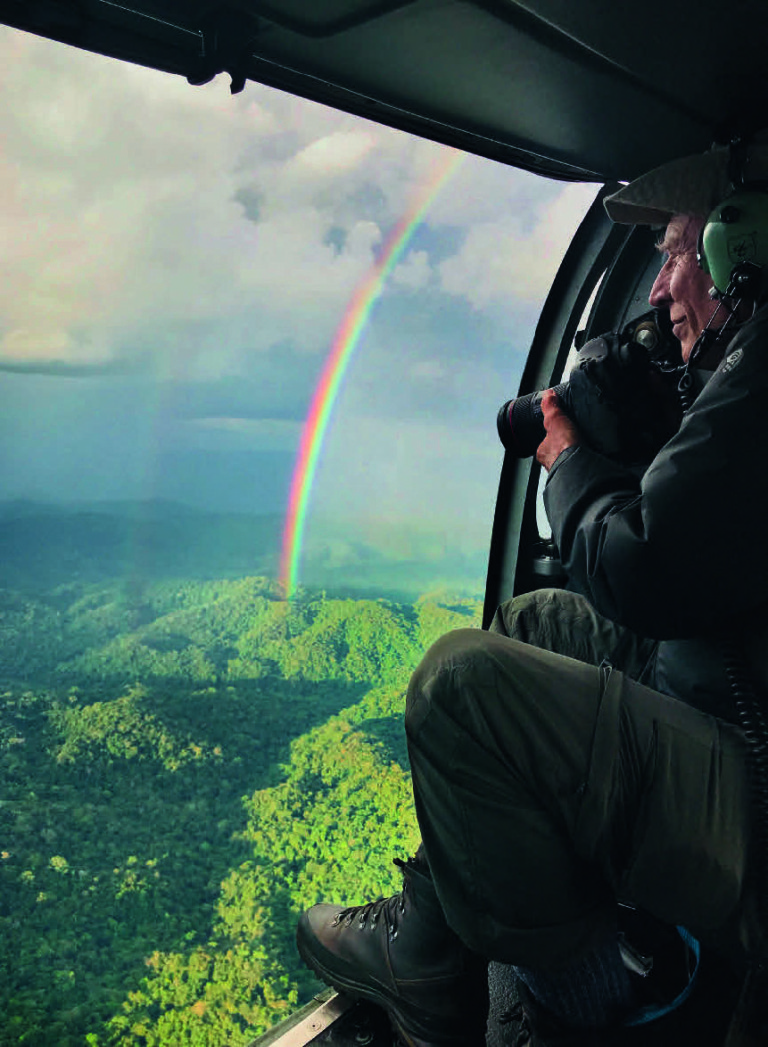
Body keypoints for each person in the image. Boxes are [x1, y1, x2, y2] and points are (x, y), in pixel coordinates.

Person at [295, 141, 768, 1046]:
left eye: (674, 250)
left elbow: (646, 565)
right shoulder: (736, 370)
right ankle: (432, 935)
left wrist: (563, 453)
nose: (662, 288)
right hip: (731, 695)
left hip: (757, 790)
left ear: (737, 246)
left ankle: (575, 1005)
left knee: (461, 687)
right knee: (533, 620)